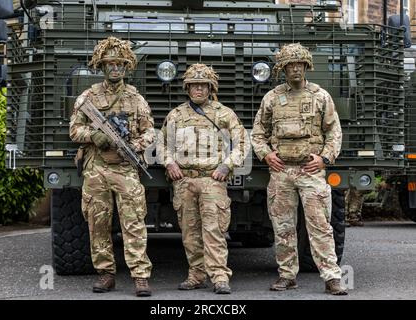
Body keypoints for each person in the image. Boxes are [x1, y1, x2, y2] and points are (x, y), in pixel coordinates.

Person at [251, 43, 348, 295]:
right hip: (281, 172)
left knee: (320, 225)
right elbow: (258, 134)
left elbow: (334, 131)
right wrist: (266, 154)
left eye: (299, 65)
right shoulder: (272, 98)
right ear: (283, 69)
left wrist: (324, 158)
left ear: (306, 67)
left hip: (310, 171)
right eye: (289, 66)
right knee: (283, 227)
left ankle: (332, 277)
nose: (295, 69)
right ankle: (287, 275)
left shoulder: (320, 96)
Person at [69, 36, 154, 297]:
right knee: (98, 222)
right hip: (96, 168)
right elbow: (74, 129)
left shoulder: (136, 99)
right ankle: (106, 274)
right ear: (102, 67)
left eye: (119, 64)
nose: (114, 69)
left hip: (126, 168)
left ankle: (140, 276)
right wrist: (93, 136)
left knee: (133, 223)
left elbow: (150, 131)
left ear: (126, 67)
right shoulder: (89, 96)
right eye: (110, 64)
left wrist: (134, 146)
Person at [159, 63, 249, 294]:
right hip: (185, 182)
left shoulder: (224, 114)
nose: (198, 90)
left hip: (212, 180)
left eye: (203, 86)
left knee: (214, 231)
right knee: (190, 233)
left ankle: (219, 277)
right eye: (194, 86)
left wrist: (227, 165)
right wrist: (169, 162)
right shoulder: (176, 115)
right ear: (187, 89)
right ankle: (196, 275)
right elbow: (161, 144)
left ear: (211, 88)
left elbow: (242, 143)